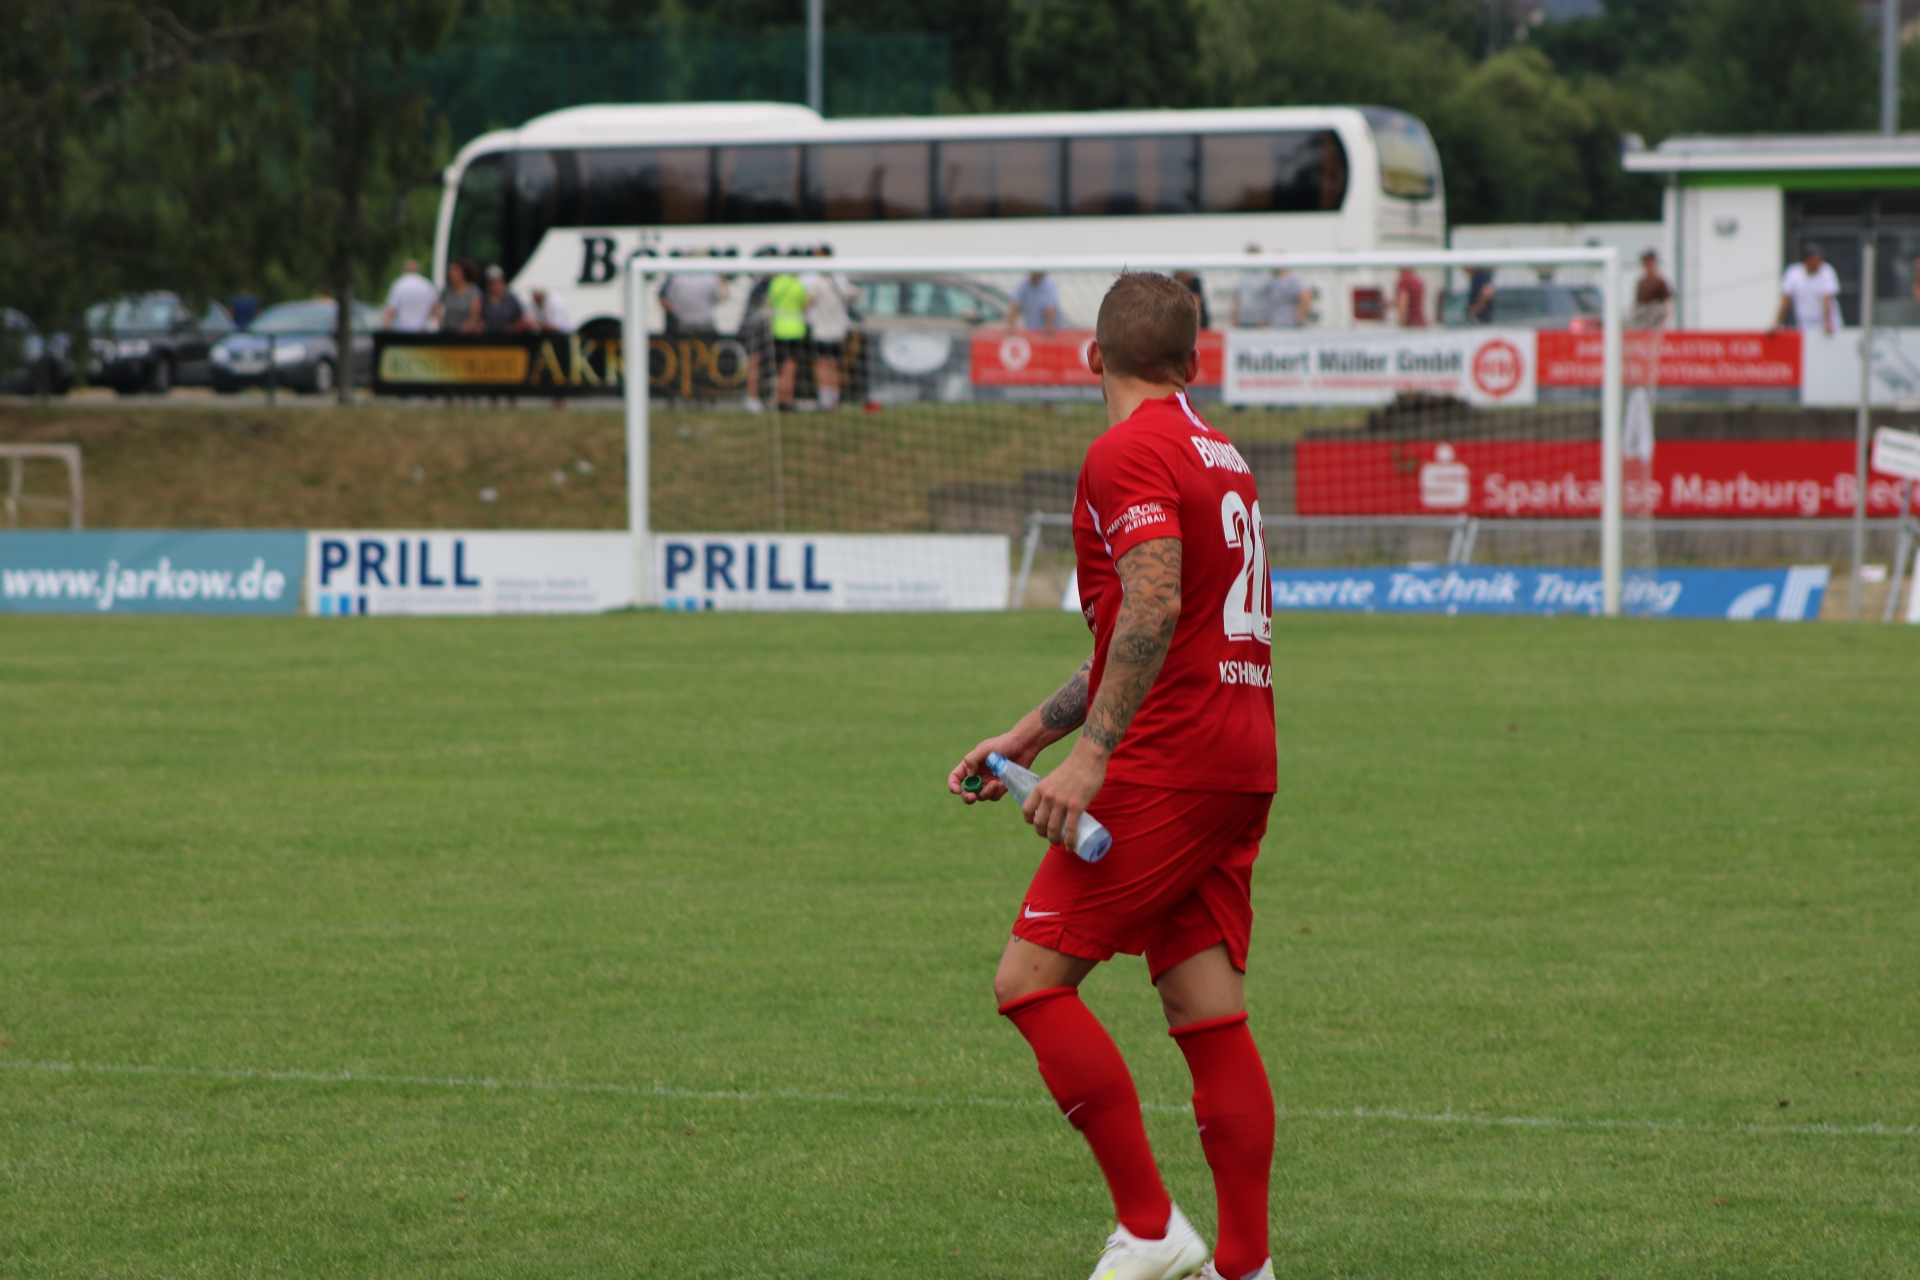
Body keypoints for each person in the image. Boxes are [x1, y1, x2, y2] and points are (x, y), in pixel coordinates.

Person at [948, 271, 1279, 1280]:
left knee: (1029, 984)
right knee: (1205, 1008)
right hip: (1238, 752)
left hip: (1168, 758)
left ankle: (1149, 1225)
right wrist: (1031, 733)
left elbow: (1154, 602)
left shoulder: (1125, 449)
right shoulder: (1219, 452)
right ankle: (1246, 1265)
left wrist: (1092, 756)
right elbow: (1141, 632)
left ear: (1091, 356)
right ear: (1194, 359)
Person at [801, 248, 855, 411]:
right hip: (838, 329)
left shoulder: (817, 282)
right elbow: (850, 298)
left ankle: (825, 400)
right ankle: (834, 400)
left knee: (822, 364)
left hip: (822, 329)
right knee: (834, 364)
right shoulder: (840, 279)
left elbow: (807, 303)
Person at [766, 268, 810, 411]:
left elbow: (769, 303)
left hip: (778, 328)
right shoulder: (799, 284)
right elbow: (806, 305)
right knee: (791, 366)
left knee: (780, 366)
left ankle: (779, 397)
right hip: (795, 329)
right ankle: (786, 399)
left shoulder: (776, 282)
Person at [1775, 244, 1839, 336]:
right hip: (1805, 323)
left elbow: (1826, 298)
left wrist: (1828, 323)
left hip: (1829, 324)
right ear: (1806, 260)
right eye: (1815, 260)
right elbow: (1786, 299)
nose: (1819, 263)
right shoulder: (1793, 273)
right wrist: (1777, 324)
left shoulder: (1827, 271)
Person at [661, 259, 726, 336]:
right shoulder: (711, 278)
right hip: (705, 323)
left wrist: (676, 312)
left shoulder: (676, 279)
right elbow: (721, 296)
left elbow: (666, 300)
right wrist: (723, 279)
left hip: (684, 323)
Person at [382, 259, 438, 333]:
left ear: (404, 270)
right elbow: (436, 309)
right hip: (422, 331)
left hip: (402, 331)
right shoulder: (427, 285)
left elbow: (390, 311)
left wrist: (384, 331)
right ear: (418, 271)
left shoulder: (399, 285)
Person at [1632, 249, 1674, 330]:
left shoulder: (1660, 281)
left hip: (1654, 317)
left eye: (1650, 262)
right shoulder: (1641, 282)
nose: (1648, 265)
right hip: (1641, 316)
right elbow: (1637, 304)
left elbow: (1667, 303)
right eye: (1645, 262)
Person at [436, 260, 482, 334]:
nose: (451, 273)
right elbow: (438, 308)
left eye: (455, 271)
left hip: (466, 333)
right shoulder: (446, 291)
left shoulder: (473, 292)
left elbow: (474, 315)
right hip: (448, 331)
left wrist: (466, 328)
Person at [1232, 245, 1271, 329]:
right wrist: (1235, 316)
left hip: (1259, 320)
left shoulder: (1266, 277)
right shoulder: (1241, 276)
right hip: (1243, 319)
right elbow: (1237, 298)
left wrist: (1266, 318)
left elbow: (1269, 300)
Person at [480, 265, 524, 333]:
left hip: (509, 336)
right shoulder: (483, 300)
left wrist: (514, 328)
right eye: (492, 282)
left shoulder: (511, 300)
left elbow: (519, 319)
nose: (496, 285)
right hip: (488, 336)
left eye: (499, 282)